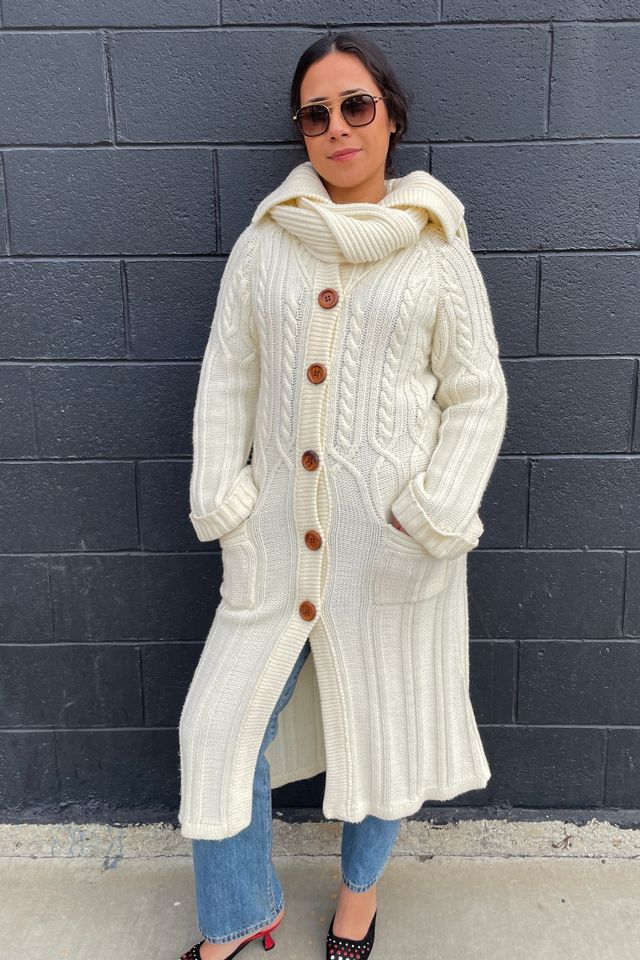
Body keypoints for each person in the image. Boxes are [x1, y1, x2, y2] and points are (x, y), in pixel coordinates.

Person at [178, 29, 509, 960]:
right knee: (216, 728)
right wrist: (227, 503)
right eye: (315, 113)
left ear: (390, 117)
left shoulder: (437, 247)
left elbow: (478, 393)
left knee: (382, 734)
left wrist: (430, 515)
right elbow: (226, 381)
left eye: (356, 105)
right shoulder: (264, 244)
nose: (337, 127)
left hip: (395, 548)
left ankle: (358, 904)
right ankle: (242, 913)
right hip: (276, 544)